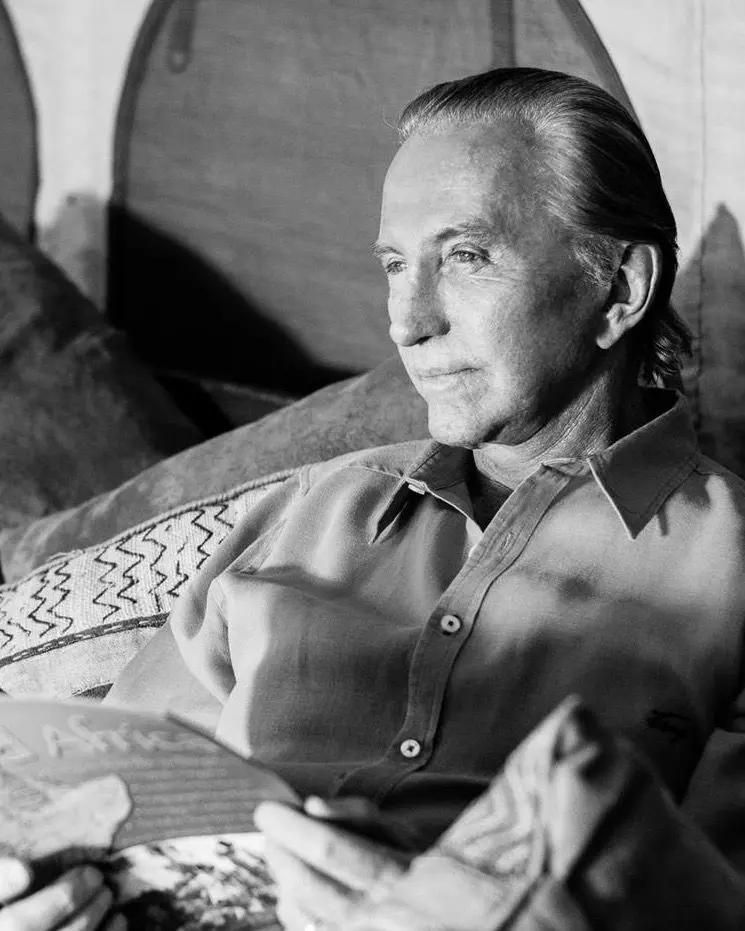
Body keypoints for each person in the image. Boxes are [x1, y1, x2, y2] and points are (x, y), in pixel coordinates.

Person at [4, 66, 745, 929]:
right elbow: (109, 796)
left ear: (617, 289)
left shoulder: (726, 574)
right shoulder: (310, 509)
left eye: (464, 256)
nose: (406, 321)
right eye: (395, 264)